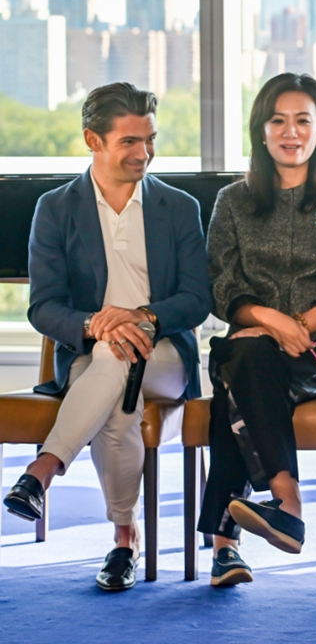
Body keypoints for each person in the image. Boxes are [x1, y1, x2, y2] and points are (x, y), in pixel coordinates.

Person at [3, 82, 211, 591]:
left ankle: (44, 470)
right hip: (91, 353)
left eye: (150, 139)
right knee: (118, 395)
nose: (144, 153)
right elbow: (44, 306)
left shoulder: (178, 207)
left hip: (165, 352)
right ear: (93, 141)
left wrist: (141, 317)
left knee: (120, 361)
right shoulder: (56, 208)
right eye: (129, 142)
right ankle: (125, 538)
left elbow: (196, 299)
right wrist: (96, 324)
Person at [198, 73, 316, 586]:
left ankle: (233, 540)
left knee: (237, 380)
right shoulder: (233, 202)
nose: (291, 132)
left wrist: (297, 328)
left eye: (303, 121)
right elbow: (223, 287)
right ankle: (284, 503)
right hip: (253, 343)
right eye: (278, 120)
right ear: (261, 131)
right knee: (247, 360)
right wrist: (271, 323)